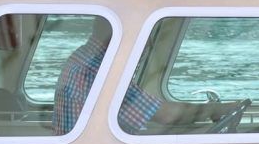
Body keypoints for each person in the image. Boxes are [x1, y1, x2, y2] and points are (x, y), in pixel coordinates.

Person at [53, 23, 244, 135]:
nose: (150, 44)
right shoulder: (97, 71)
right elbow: (167, 115)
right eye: (146, 35)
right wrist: (216, 109)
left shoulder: (84, 56)